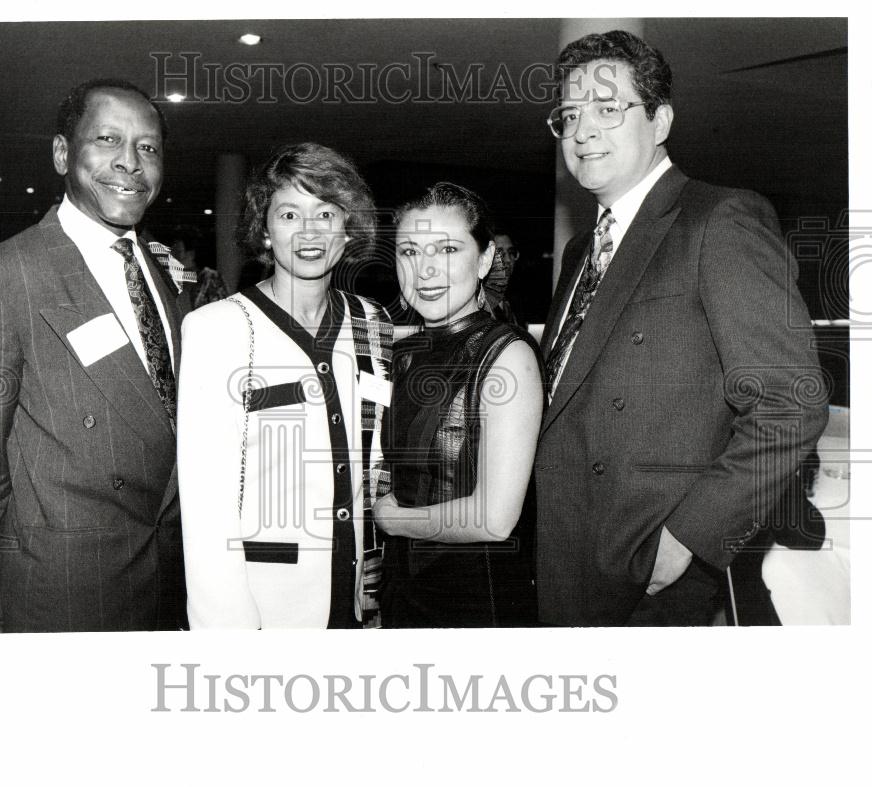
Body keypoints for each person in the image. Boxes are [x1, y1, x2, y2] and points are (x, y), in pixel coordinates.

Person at [535, 30, 828, 626]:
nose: (583, 130)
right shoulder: (582, 251)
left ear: (660, 120)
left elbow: (791, 405)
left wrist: (689, 538)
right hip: (568, 554)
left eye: (607, 108)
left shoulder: (718, 219)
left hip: (649, 574)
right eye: (569, 115)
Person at [0, 78, 188, 632]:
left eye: (147, 147)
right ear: (63, 153)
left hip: (173, 572)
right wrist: (24, 559)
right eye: (108, 139)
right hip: (69, 585)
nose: (131, 163)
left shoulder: (162, 273)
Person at [178, 142, 392, 628]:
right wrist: (230, 639)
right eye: (289, 214)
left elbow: (376, 456)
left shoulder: (371, 322)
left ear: (347, 227)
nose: (309, 231)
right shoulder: (219, 328)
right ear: (265, 231)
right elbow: (206, 504)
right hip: (267, 606)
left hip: (360, 594)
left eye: (326, 212)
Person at [373, 182, 543, 627]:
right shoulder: (408, 354)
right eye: (410, 252)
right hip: (401, 591)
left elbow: (493, 518)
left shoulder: (509, 356)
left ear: (485, 259)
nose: (425, 270)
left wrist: (393, 520)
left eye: (447, 249)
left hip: (475, 601)